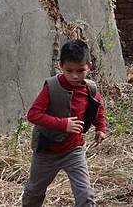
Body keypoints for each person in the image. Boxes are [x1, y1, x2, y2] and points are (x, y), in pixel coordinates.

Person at [23, 40, 107, 207]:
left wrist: (101, 127)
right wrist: (63, 124)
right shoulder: (52, 87)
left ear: (89, 66)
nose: (75, 76)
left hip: (74, 151)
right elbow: (33, 115)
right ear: (61, 66)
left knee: (86, 195)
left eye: (80, 70)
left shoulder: (90, 88)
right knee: (34, 192)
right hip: (47, 151)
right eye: (69, 71)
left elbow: (99, 107)